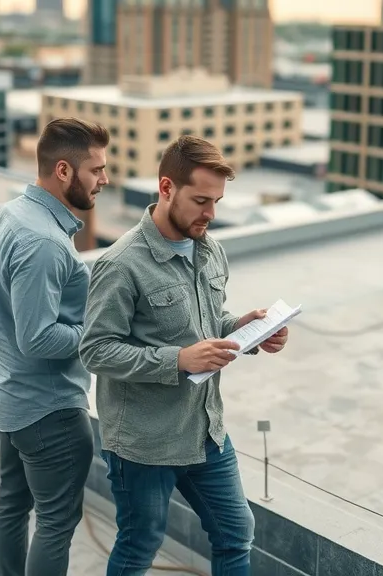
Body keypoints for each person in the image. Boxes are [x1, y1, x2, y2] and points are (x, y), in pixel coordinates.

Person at [80, 135, 289, 576]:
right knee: (140, 545)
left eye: (216, 201)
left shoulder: (211, 249)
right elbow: (95, 350)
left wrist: (247, 329)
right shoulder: (120, 264)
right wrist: (177, 360)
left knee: (236, 533)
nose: (210, 214)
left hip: (205, 430)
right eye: (200, 200)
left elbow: (208, 324)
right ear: (166, 188)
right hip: (143, 444)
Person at [0, 117, 110, 576]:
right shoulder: (44, 242)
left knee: (12, 504)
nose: (105, 180)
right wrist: (96, 334)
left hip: (10, 397)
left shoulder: (13, 213)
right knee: (56, 522)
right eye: (96, 170)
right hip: (47, 411)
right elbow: (36, 338)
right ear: (63, 171)